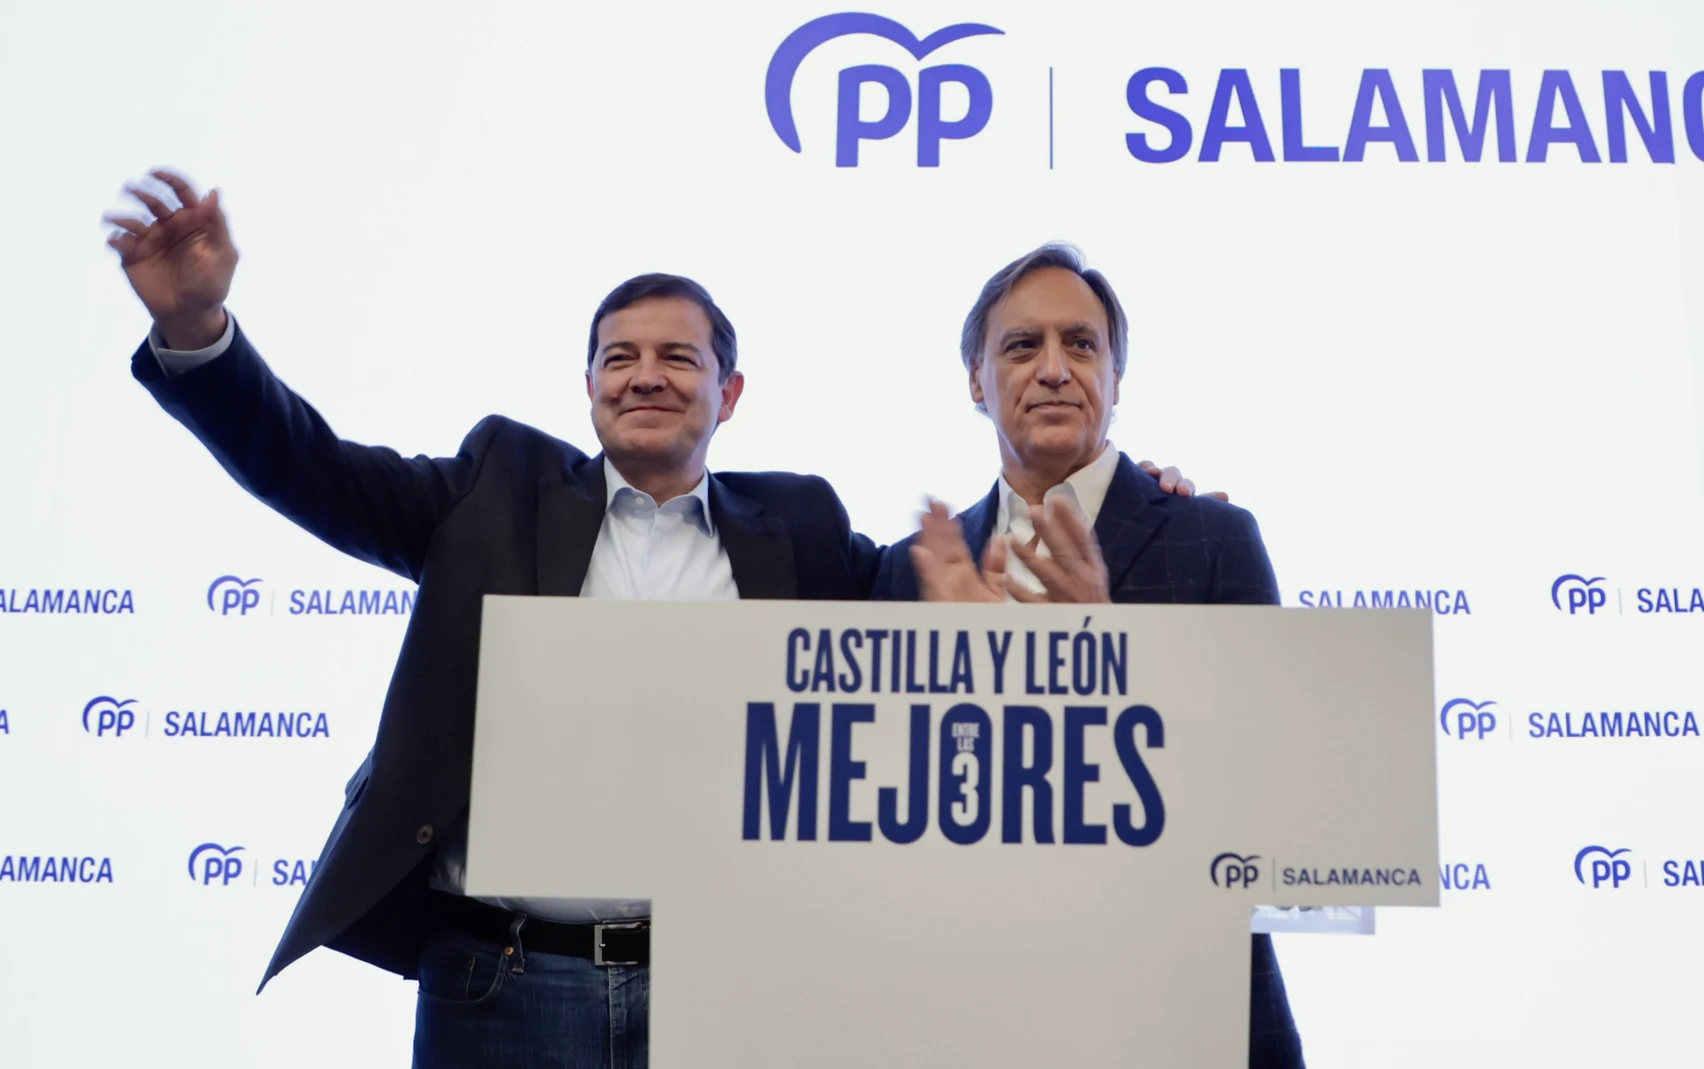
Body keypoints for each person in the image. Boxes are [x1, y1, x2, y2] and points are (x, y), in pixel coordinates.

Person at [103, 172, 1209, 1068]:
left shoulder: (802, 527)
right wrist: (200, 332)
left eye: (679, 357)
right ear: (587, 385)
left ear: (729, 393)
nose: (646, 377)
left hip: (728, 989)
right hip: (501, 983)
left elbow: (945, 623)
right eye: (619, 358)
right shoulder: (493, 488)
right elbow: (311, 466)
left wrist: (1131, 491)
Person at [869, 242, 1303, 1068]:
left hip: (1182, 1010)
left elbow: (1276, 799)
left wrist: (1109, 665)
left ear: (1115, 375)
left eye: (1081, 343)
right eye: (1021, 346)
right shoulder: (908, 571)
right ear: (975, 380)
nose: (1054, 369)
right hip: (973, 1010)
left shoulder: (1213, 537)